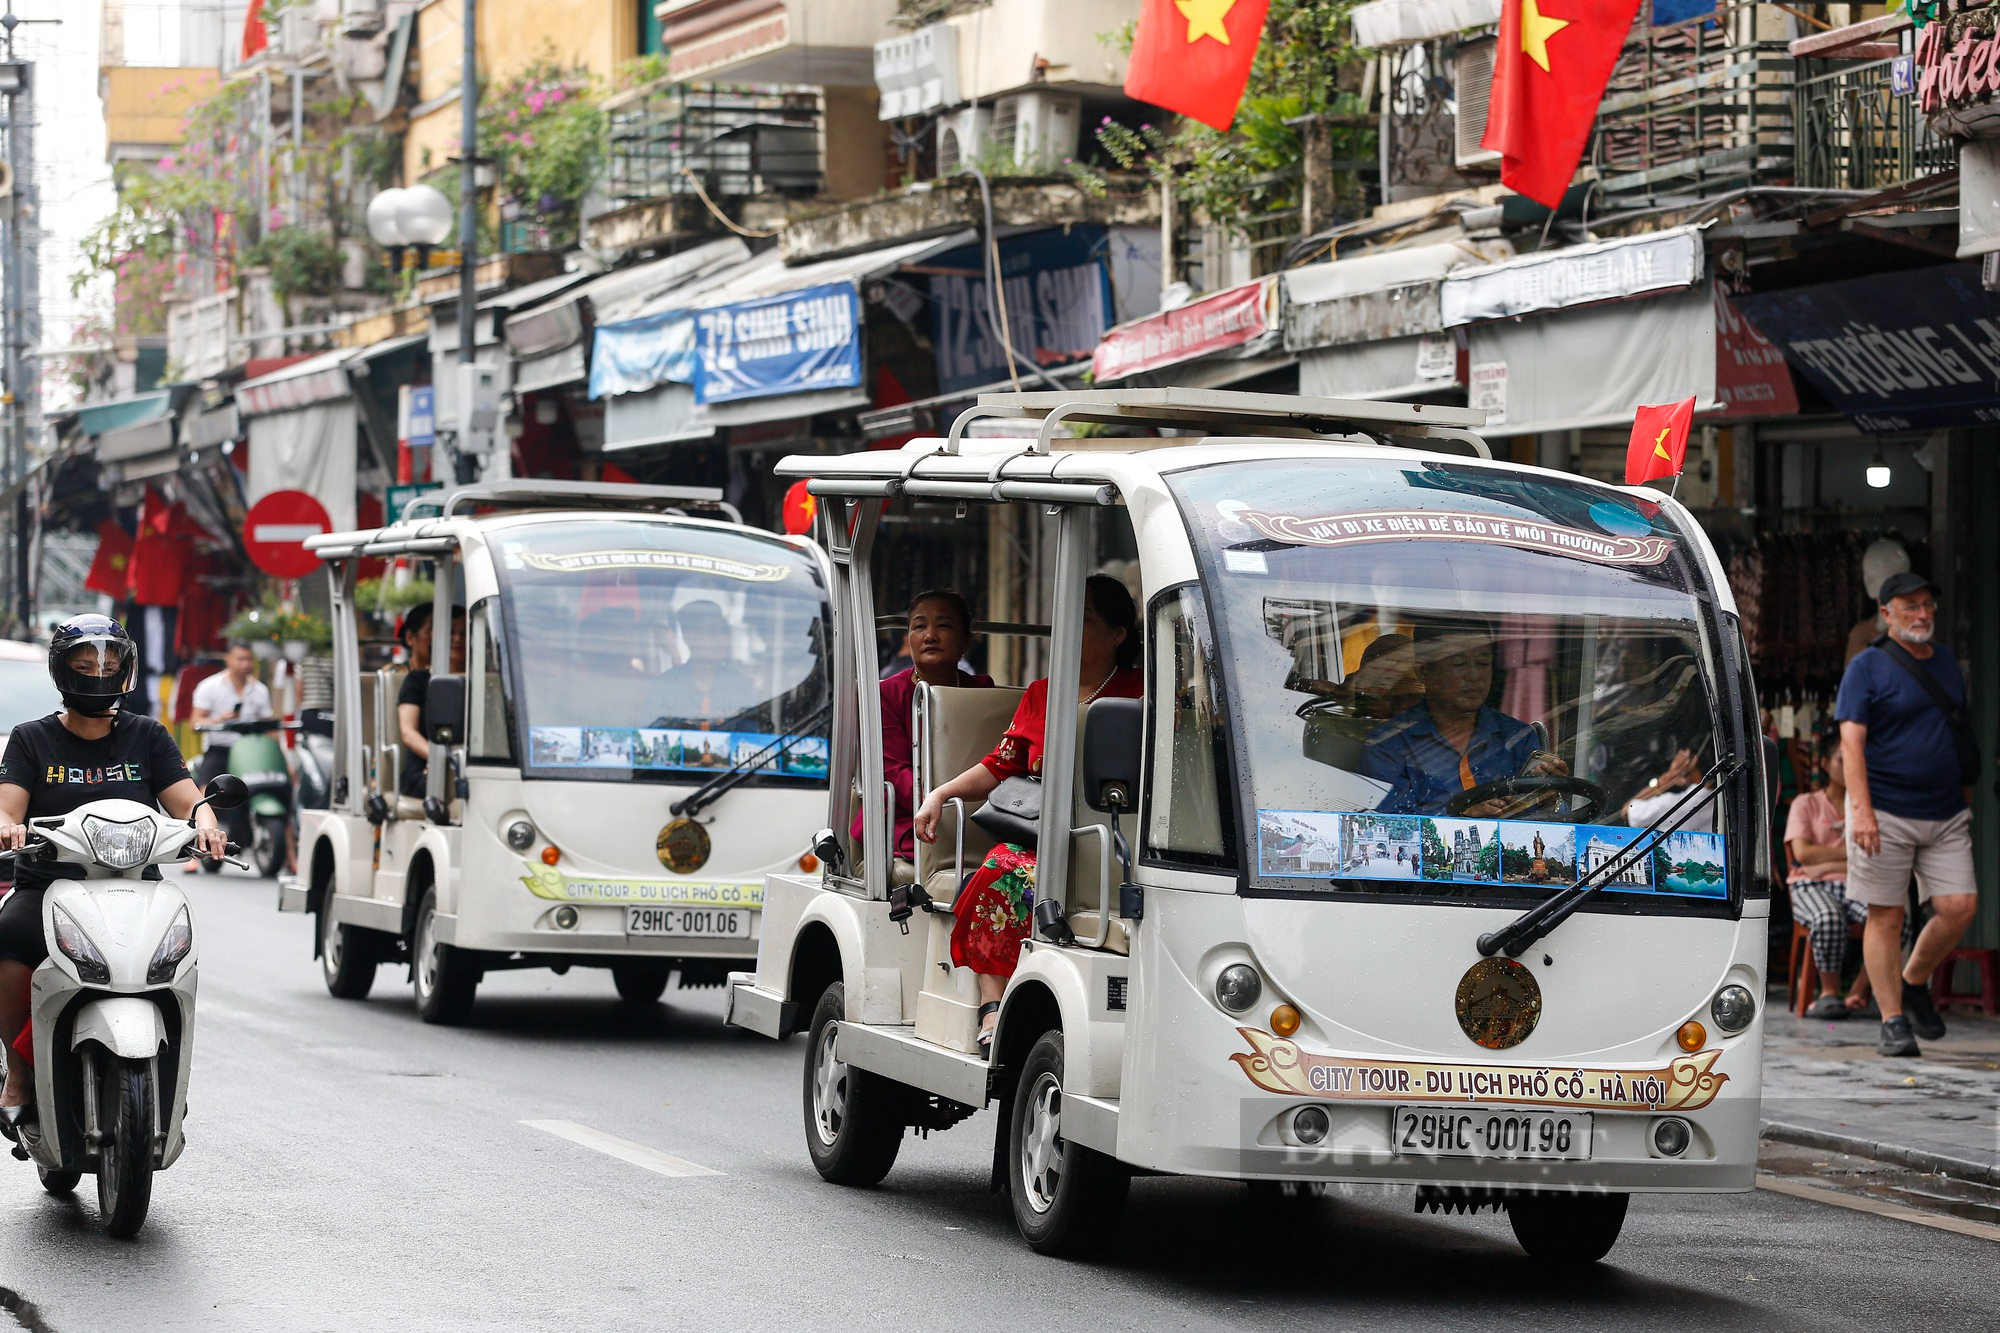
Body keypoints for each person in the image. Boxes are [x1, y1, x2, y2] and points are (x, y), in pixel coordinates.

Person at [0, 616, 227, 1138]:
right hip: (50, 883)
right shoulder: (31, 739)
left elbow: (189, 800)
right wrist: (11, 829)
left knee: (171, 958)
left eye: (109, 665)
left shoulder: (147, 736)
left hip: (134, 883)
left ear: (125, 671)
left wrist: (209, 825)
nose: (98, 675)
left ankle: (166, 1071)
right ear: (62, 672)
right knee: (11, 939)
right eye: (85, 666)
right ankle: (20, 1069)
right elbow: (9, 807)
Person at [913, 575, 1142, 1052]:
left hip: (1115, 842)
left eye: (1083, 620)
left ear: (1118, 633)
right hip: (1040, 840)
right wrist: (939, 793)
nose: (1067, 631)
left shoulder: (1142, 694)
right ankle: (993, 1006)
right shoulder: (1042, 693)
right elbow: (1000, 765)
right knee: (1001, 871)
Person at [1837, 572, 1980, 1058]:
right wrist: (1862, 812)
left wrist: (1965, 790)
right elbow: (1851, 743)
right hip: (1886, 811)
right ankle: (1893, 1020)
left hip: (1945, 810)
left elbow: (1956, 730)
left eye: (1927, 605)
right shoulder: (1867, 667)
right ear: (1887, 614)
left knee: (1960, 906)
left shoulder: (1943, 662)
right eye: (1911, 606)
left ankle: (1913, 979)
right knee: (1886, 915)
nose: (1923, 614)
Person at [1360, 620, 1565, 815]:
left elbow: (1549, 825)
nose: (1474, 675)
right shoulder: (1386, 745)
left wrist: (1549, 798)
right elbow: (1389, 828)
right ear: (1424, 672)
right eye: (1459, 663)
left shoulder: (1519, 737)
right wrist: (1459, 817)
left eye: (1483, 662)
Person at [851, 591, 992, 864]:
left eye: (943, 625)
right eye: (919, 626)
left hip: (976, 812)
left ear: (966, 640)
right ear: (909, 639)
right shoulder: (886, 694)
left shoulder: (982, 689)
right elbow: (892, 771)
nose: (930, 636)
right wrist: (940, 803)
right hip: (906, 816)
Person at [1787, 743, 1871, 1019]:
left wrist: (1826, 864)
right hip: (1810, 885)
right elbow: (1803, 854)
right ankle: (1829, 994)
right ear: (1824, 763)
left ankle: (1858, 990)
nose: (1850, 768)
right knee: (1827, 917)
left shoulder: (1866, 810)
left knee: (1891, 918)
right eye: (1841, 760)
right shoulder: (1806, 803)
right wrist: (1849, 855)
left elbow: (1874, 856)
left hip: (1857, 882)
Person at [644, 601, 764, 730]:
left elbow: (751, 737)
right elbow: (650, 736)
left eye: (724, 631)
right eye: (712, 631)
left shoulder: (741, 685)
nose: (721, 639)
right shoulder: (665, 686)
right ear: (689, 637)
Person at [399, 604, 466, 799]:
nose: (457, 639)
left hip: (471, 770)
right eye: (451, 632)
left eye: (464, 632)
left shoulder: (483, 681)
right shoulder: (417, 680)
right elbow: (408, 732)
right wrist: (443, 761)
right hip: (427, 771)